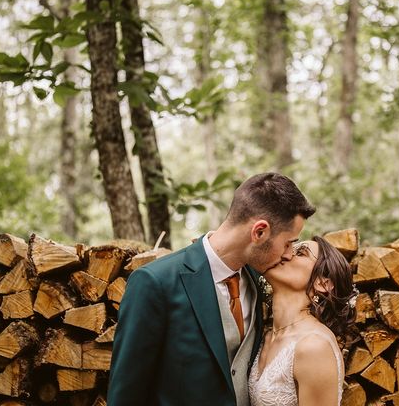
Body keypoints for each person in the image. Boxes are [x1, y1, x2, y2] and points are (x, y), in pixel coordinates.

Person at [107, 172, 316, 406]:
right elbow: (125, 395)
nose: (288, 254)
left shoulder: (258, 279)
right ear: (259, 232)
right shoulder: (155, 283)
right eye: (288, 243)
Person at [248, 236, 357, 406]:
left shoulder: (314, 346)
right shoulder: (266, 336)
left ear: (322, 283)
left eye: (300, 252)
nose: (285, 253)